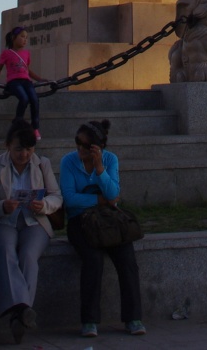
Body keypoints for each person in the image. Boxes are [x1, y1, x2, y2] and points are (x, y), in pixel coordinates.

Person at [59, 119, 144, 338]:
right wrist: (98, 200)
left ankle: (133, 317)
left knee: (127, 258)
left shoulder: (110, 159)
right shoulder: (68, 162)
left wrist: (99, 169)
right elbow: (70, 199)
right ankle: (89, 321)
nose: (80, 148)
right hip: (80, 221)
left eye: (85, 145)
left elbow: (113, 194)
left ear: (98, 147)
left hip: (108, 220)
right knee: (93, 260)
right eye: (77, 142)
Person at [0, 120, 62, 343]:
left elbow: (56, 196)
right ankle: (24, 309)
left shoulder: (42, 164)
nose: (24, 154)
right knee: (6, 252)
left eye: (29, 149)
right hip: (2, 222)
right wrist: (2, 206)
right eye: (19, 149)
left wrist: (43, 205)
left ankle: (18, 316)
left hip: (34, 222)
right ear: (8, 145)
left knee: (28, 255)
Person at [0, 27, 48, 138]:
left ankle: (35, 127)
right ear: (13, 38)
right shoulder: (6, 53)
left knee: (34, 100)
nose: (25, 39)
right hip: (13, 82)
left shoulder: (26, 53)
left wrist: (40, 79)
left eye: (26, 37)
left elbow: (28, 70)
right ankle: (18, 122)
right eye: (22, 36)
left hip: (26, 81)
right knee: (24, 98)